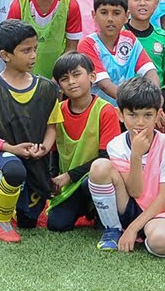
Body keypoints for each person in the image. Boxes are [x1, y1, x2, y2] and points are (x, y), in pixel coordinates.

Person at [0, 19, 61, 242]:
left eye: (34, 49)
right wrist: (10, 148)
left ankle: (2, 198)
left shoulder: (47, 89)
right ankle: (0, 218)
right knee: (13, 169)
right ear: (5, 55)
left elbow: (52, 128)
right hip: (1, 154)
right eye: (25, 50)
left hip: (35, 159)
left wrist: (44, 148)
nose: (33, 56)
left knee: (28, 220)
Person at [86, 77, 165, 255]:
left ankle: (144, 234)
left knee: (161, 243)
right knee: (99, 166)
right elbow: (135, 192)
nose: (140, 122)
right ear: (120, 115)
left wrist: (133, 229)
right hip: (129, 206)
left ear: (158, 115)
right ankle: (113, 230)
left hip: (160, 211)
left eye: (147, 115)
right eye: (133, 115)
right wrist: (136, 156)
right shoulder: (116, 145)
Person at [47, 52, 121, 232]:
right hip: (70, 185)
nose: (71, 81)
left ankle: (98, 209)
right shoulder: (57, 111)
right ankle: (85, 207)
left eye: (76, 74)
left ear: (92, 77)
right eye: (64, 78)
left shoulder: (106, 111)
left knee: (91, 183)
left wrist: (68, 176)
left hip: (95, 180)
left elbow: (108, 157)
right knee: (56, 225)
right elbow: (54, 152)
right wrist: (52, 180)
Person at [77, 0, 158, 105]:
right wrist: (137, 105)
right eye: (104, 12)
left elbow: (150, 72)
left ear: (126, 16)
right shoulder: (87, 44)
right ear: (94, 15)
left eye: (116, 13)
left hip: (129, 111)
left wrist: (155, 102)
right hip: (101, 112)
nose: (110, 19)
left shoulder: (129, 38)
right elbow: (105, 86)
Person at [9, 0, 84, 79]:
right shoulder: (19, 4)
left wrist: (58, 79)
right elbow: (11, 47)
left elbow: (71, 47)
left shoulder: (70, 4)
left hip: (58, 75)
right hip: (24, 75)